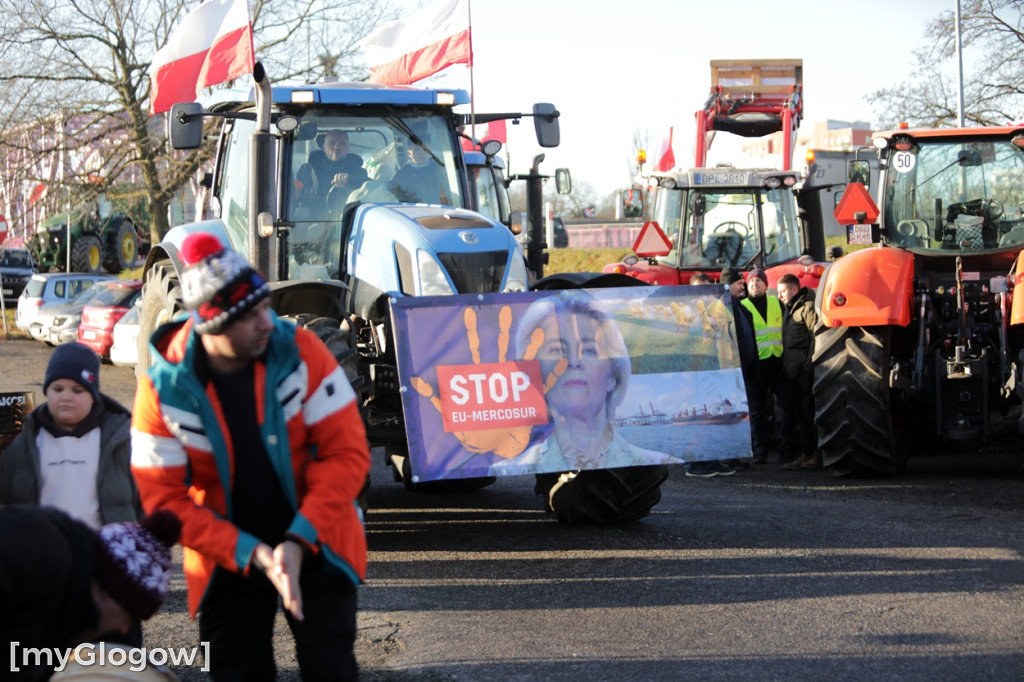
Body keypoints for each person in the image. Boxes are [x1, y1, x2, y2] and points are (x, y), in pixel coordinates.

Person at [130, 232, 371, 682]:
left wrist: (297, 542)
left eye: (265, 304)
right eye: (251, 313)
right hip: (225, 549)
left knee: (331, 668)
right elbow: (162, 501)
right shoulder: (160, 391)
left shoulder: (303, 350)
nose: (268, 320)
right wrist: (252, 552)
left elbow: (348, 453)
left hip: (321, 534)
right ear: (213, 326)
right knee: (237, 670)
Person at [490, 291, 678, 475]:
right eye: (557, 350)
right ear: (535, 374)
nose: (573, 361)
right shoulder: (509, 468)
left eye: (589, 350)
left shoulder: (659, 462)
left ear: (612, 376)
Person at [0, 505, 180, 682]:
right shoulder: (40, 553)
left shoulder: (73, 597)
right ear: (111, 594)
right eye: (130, 616)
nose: (124, 628)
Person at [0, 342, 139, 529]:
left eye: (77, 390)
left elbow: (146, 502)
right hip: (43, 553)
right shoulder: (25, 444)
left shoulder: (121, 441)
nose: (66, 397)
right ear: (47, 391)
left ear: (93, 395)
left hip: (103, 553)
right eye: (58, 389)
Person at [740, 267, 799, 464]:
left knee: (788, 406)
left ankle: (787, 451)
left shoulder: (777, 303)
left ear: (766, 285)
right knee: (757, 413)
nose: (754, 284)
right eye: (751, 282)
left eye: (758, 281)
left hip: (777, 365)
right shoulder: (743, 306)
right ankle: (760, 453)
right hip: (756, 368)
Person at [778, 273, 822, 471]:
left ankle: (818, 454)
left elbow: (816, 336)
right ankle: (807, 452)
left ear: (794, 289)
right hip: (791, 372)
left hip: (805, 372)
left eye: (782, 291)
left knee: (810, 414)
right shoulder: (789, 310)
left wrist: (808, 363)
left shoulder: (807, 308)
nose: (780, 295)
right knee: (800, 416)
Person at [295, 130, 368, 213]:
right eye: (332, 143)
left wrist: (349, 182)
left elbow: (366, 197)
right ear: (324, 147)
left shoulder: (359, 173)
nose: (336, 147)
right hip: (311, 222)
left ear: (348, 147)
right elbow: (293, 198)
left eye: (342, 143)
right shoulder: (306, 171)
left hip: (348, 222)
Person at [387, 132, 448, 204]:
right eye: (417, 150)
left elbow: (448, 194)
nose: (422, 153)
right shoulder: (402, 174)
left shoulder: (439, 170)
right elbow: (392, 194)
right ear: (409, 153)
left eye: (425, 149)